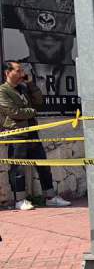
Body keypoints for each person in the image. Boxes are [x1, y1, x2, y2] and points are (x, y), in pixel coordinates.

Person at [0, 61, 70, 210]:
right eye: (18, 71)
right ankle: (20, 200)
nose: (21, 74)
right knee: (18, 169)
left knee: (43, 165)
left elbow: (39, 101)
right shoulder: (3, 91)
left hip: (32, 131)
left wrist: (31, 84)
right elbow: (14, 112)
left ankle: (50, 197)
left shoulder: (24, 88)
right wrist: (32, 111)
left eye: (22, 71)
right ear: (7, 73)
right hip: (17, 134)